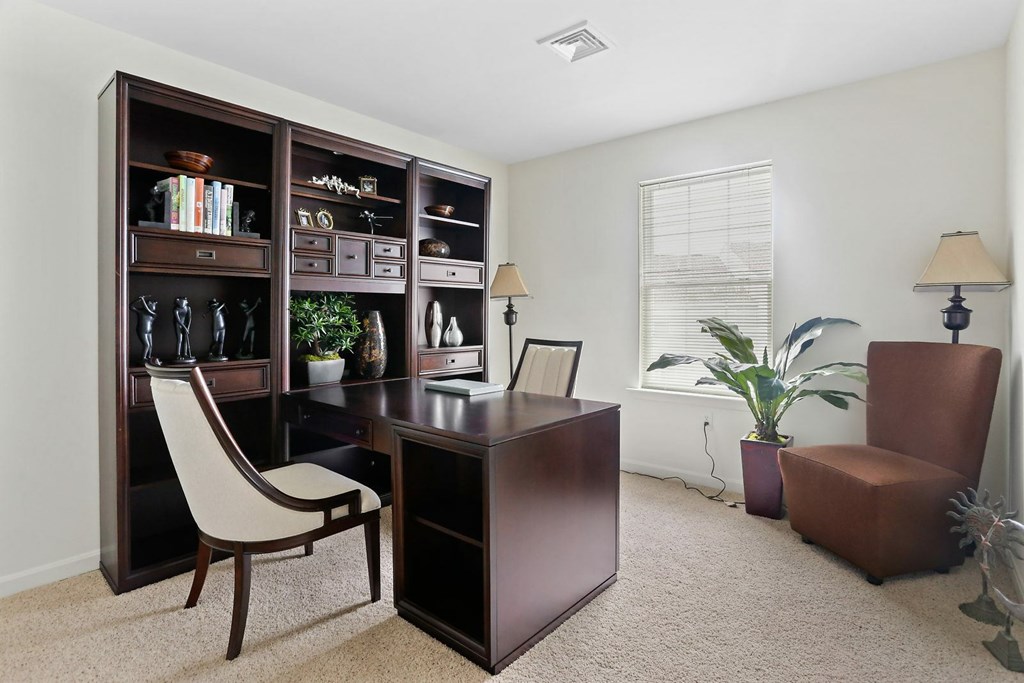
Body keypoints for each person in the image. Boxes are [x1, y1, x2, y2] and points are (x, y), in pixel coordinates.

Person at [130, 295, 158, 363]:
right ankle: (144, 358)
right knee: (147, 345)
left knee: (150, 345)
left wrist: (143, 300)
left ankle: (148, 357)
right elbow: (131, 307)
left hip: (149, 331)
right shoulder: (141, 311)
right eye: (152, 305)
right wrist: (138, 300)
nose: (154, 307)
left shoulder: (153, 314)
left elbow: (148, 310)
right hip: (142, 330)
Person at [173, 296, 195, 363]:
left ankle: (185, 354)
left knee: (186, 339)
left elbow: (190, 318)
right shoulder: (176, 310)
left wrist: (187, 327)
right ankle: (178, 354)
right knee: (180, 339)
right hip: (178, 325)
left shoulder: (188, 308)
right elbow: (178, 320)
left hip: (185, 324)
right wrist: (185, 328)